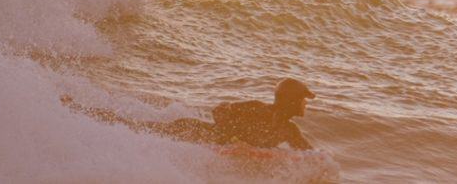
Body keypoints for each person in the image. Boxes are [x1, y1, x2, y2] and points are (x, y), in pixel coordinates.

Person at [61, 78, 316, 150]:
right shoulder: (257, 109)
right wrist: (232, 138)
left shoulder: (289, 131)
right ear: (290, 100)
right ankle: (78, 111)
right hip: (195, 132)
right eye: (304, 100)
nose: (305, 105)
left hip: (206, 143)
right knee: (133, 126)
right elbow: (219, 110)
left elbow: (311, 157)